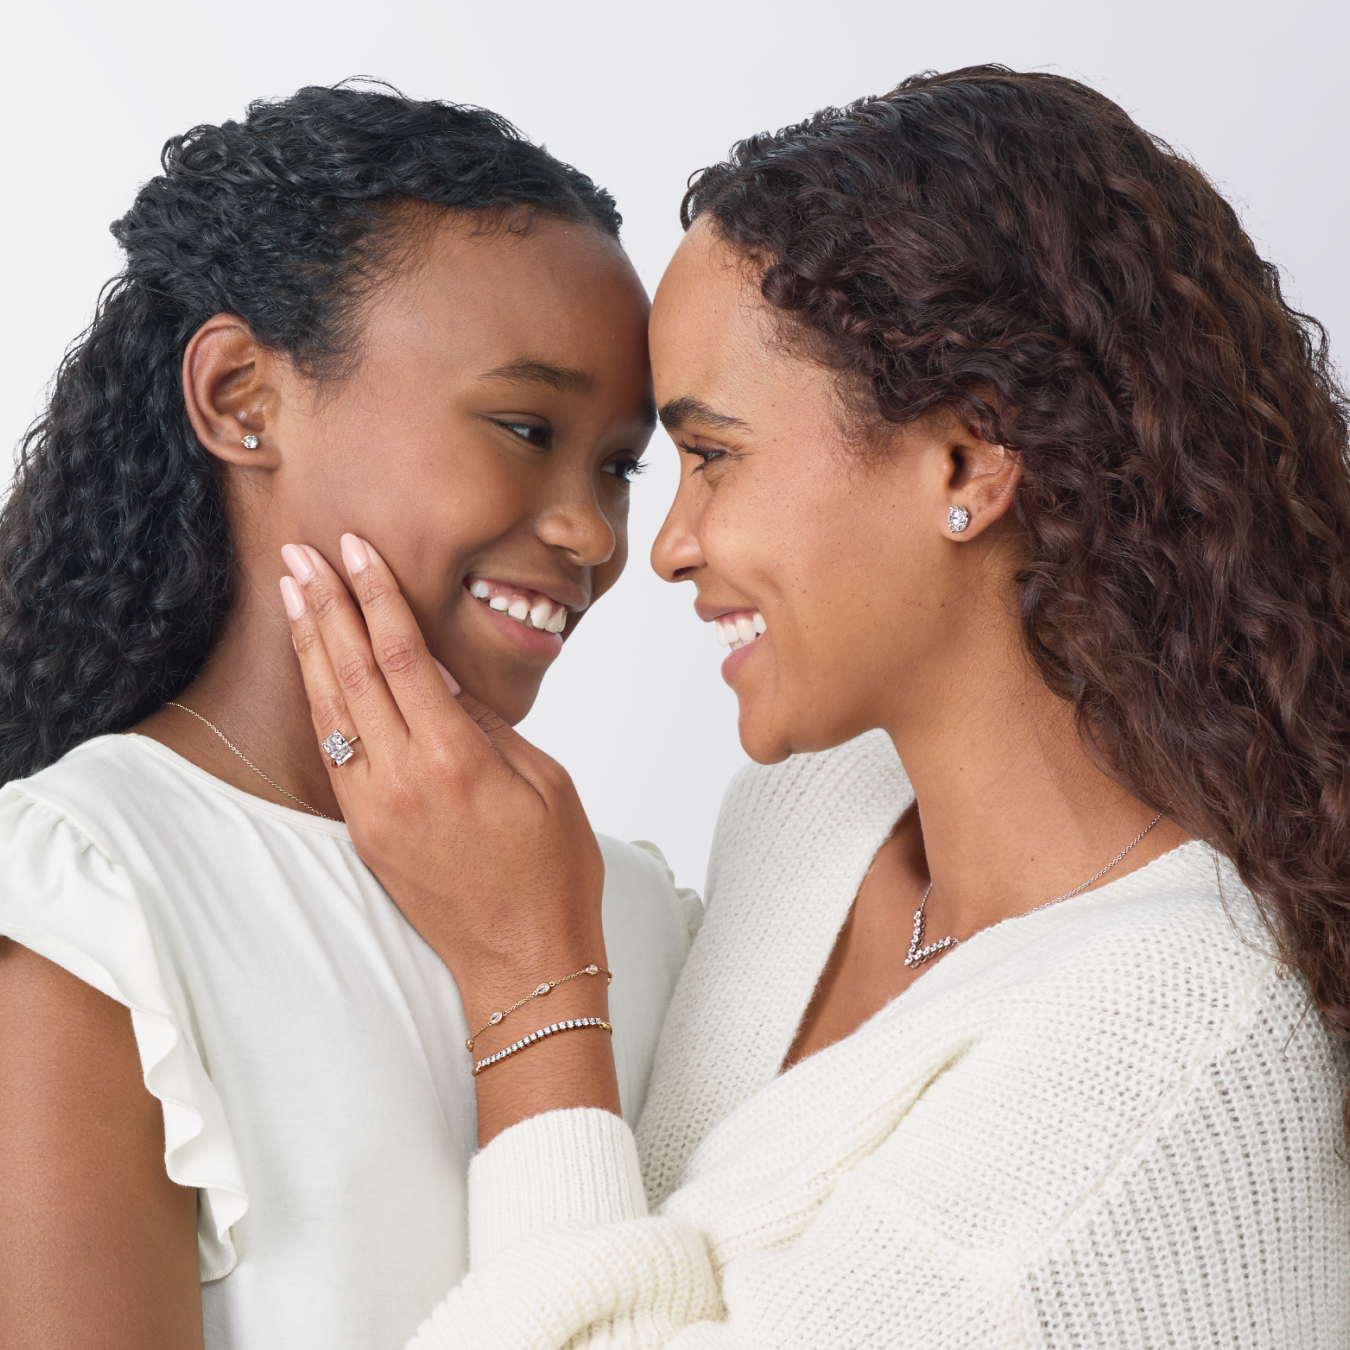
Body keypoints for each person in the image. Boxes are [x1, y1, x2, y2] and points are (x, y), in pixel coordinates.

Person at [281, 67, 1350, 1346]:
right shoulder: (809, 819)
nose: (664, 546)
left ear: (968, 458)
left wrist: (528, 984)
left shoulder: (1175, 1060)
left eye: (713, 456)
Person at [0, 84, 700, 1350]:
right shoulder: (85, 907)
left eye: (617, 462)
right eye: (525, 426)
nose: (595, 534)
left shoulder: (632, 910)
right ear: (240, 397)